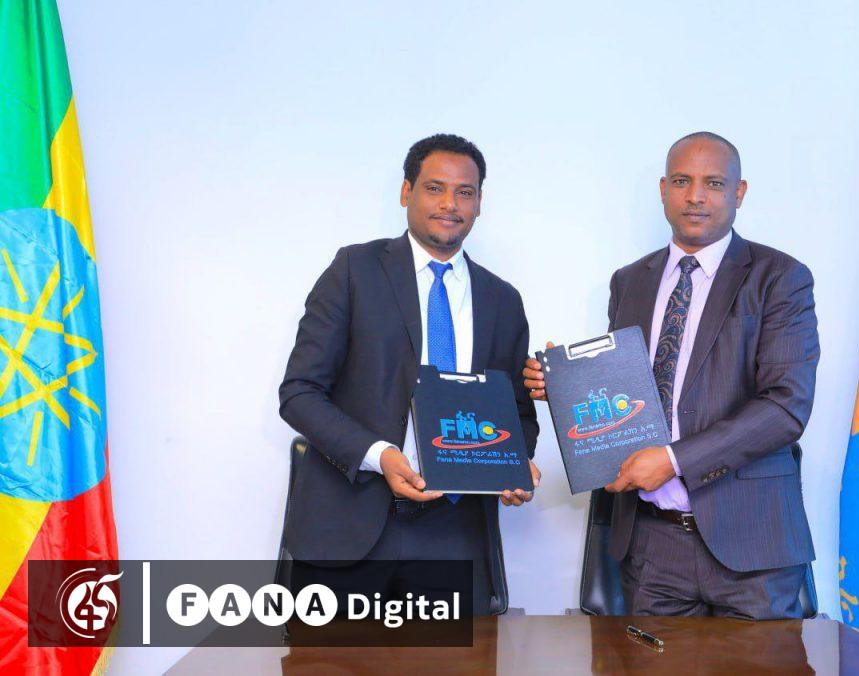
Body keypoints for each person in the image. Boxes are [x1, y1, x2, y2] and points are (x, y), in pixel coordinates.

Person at [524, 132, 818, 618]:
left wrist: (673, 459)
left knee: (760, 662)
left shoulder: (779, 277)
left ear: (739, 192)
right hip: (652, 546)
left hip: (752, 545)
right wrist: (566, 386)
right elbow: (628, 394)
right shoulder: (630, 280)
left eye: (713, 183)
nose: (695, 196)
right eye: (681, 181)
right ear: (664, 190)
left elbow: (786, 407)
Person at [280, 133, 541, 616]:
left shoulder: (502, 299)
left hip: (455, 535)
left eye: (465, 192)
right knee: (330, 658)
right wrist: (379, 456)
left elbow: (518, 414)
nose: (450, 204)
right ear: (406, 192)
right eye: (434, 188)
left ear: (480, 203)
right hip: (350, 526)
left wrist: (514, 465)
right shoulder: (354, 270)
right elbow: (300, 393)